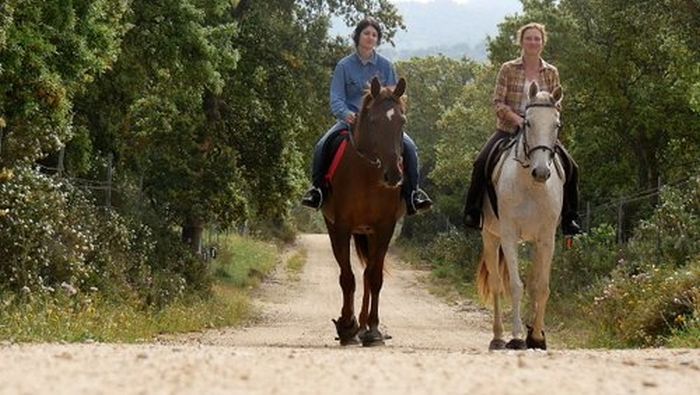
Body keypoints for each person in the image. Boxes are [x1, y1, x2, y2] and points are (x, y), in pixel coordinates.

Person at [300, 17, 432, 215]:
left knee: (410, 148)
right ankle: (317, 191)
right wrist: (347, 114)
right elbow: (336, 98)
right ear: (358, 36)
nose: (370, 37)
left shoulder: (386, 66)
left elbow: (394, 99)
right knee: (322, 144)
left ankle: (413, 193)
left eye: (374, 35)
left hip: (381, 125)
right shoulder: (344, 66)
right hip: (351, 121)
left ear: (377, 40)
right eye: (366, 33)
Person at [462, 22, 581, 235]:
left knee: (571, 167)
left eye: (537, 38)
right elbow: (498, 102)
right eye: (529, 38)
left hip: (541, 134)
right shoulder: (508, 69)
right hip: (509, 129)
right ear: (521, 42)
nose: (533, 42)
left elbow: (558, 104)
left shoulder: (551, 72)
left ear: (543, 43)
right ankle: (473, 211)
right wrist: (517, 119)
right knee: (481, 162)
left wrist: (542, 120)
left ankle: (570, 218)